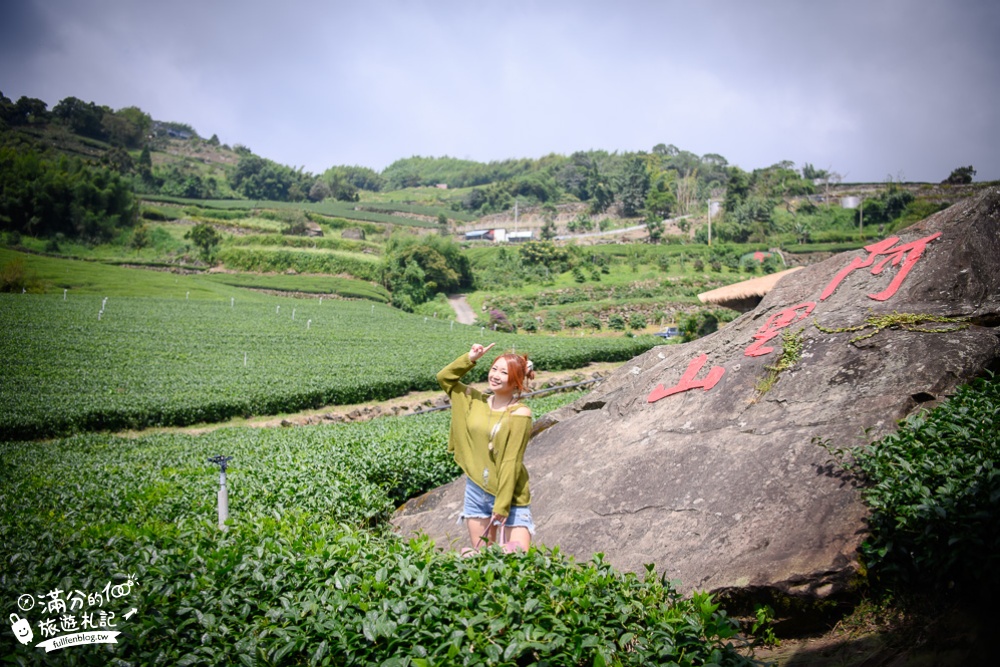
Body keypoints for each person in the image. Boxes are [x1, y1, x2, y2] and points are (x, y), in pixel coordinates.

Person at [437, 342, 536, 552]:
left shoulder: (519, 413)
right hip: (476, 491)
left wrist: (502, 504)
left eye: (504, 372)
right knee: (484, 562)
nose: (496, 375)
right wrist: (470, 358)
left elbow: (512, 461)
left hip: (511, 496)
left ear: (517, 381)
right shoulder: (474, 400)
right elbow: (444, 378)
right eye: (494, 369)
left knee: (519, 563)